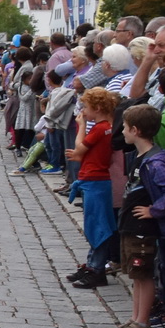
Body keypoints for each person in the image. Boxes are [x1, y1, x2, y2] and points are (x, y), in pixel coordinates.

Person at [107, 103, 165, 328]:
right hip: (132, 226)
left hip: (143, 229)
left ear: (136, 130)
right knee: (136, 275)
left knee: (144, 274)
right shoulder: (141, 157)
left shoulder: (155, 162)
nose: (123, 132)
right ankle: (135, 317)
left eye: (125, 128)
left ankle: (142, 322)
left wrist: (154, 210)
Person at [66, 88, 123, 289]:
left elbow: (79, 149)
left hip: (95, 180)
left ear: (97, 109)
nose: (84, 111)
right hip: (95, 180)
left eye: (87, 108)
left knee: (97, 226)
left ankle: (97, 268)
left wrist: (81, 126)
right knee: (96, 225)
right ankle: (92, 264)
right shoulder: (107, 127)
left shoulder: (100, 128)